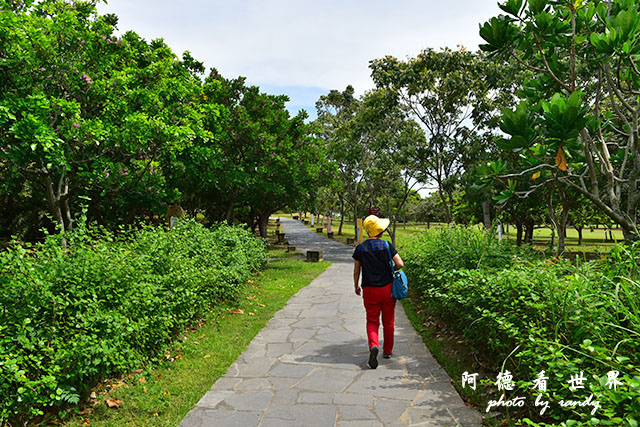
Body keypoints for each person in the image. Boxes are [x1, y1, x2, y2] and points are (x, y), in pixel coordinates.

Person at [352, 215, 404, 369]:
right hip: (387, 289)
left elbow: (356, 271)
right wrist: (391, 270)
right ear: (381, 230)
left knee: (372, 321)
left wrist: (356, 285)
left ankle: (373, 346)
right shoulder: (387, 246)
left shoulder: (360, 248)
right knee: (389, 322)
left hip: (369, 290)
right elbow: (400, 263)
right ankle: (387, 351)